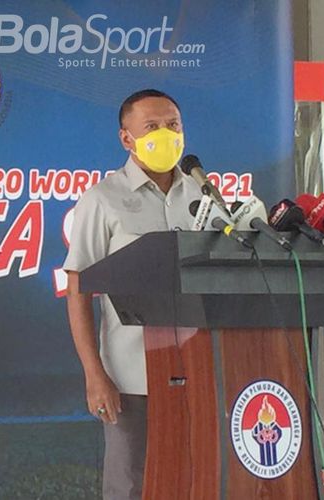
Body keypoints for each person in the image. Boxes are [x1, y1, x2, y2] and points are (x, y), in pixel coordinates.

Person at [63, 89, 202, 499]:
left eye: (173, 125)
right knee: (130, 485)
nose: (166, 134)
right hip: (131, 375)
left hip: (198, 367)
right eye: (152, 127)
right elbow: (78, 292)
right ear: (127, 138)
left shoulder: (201, 196)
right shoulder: (103, 199)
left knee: (194, 479)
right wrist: (94, 374)